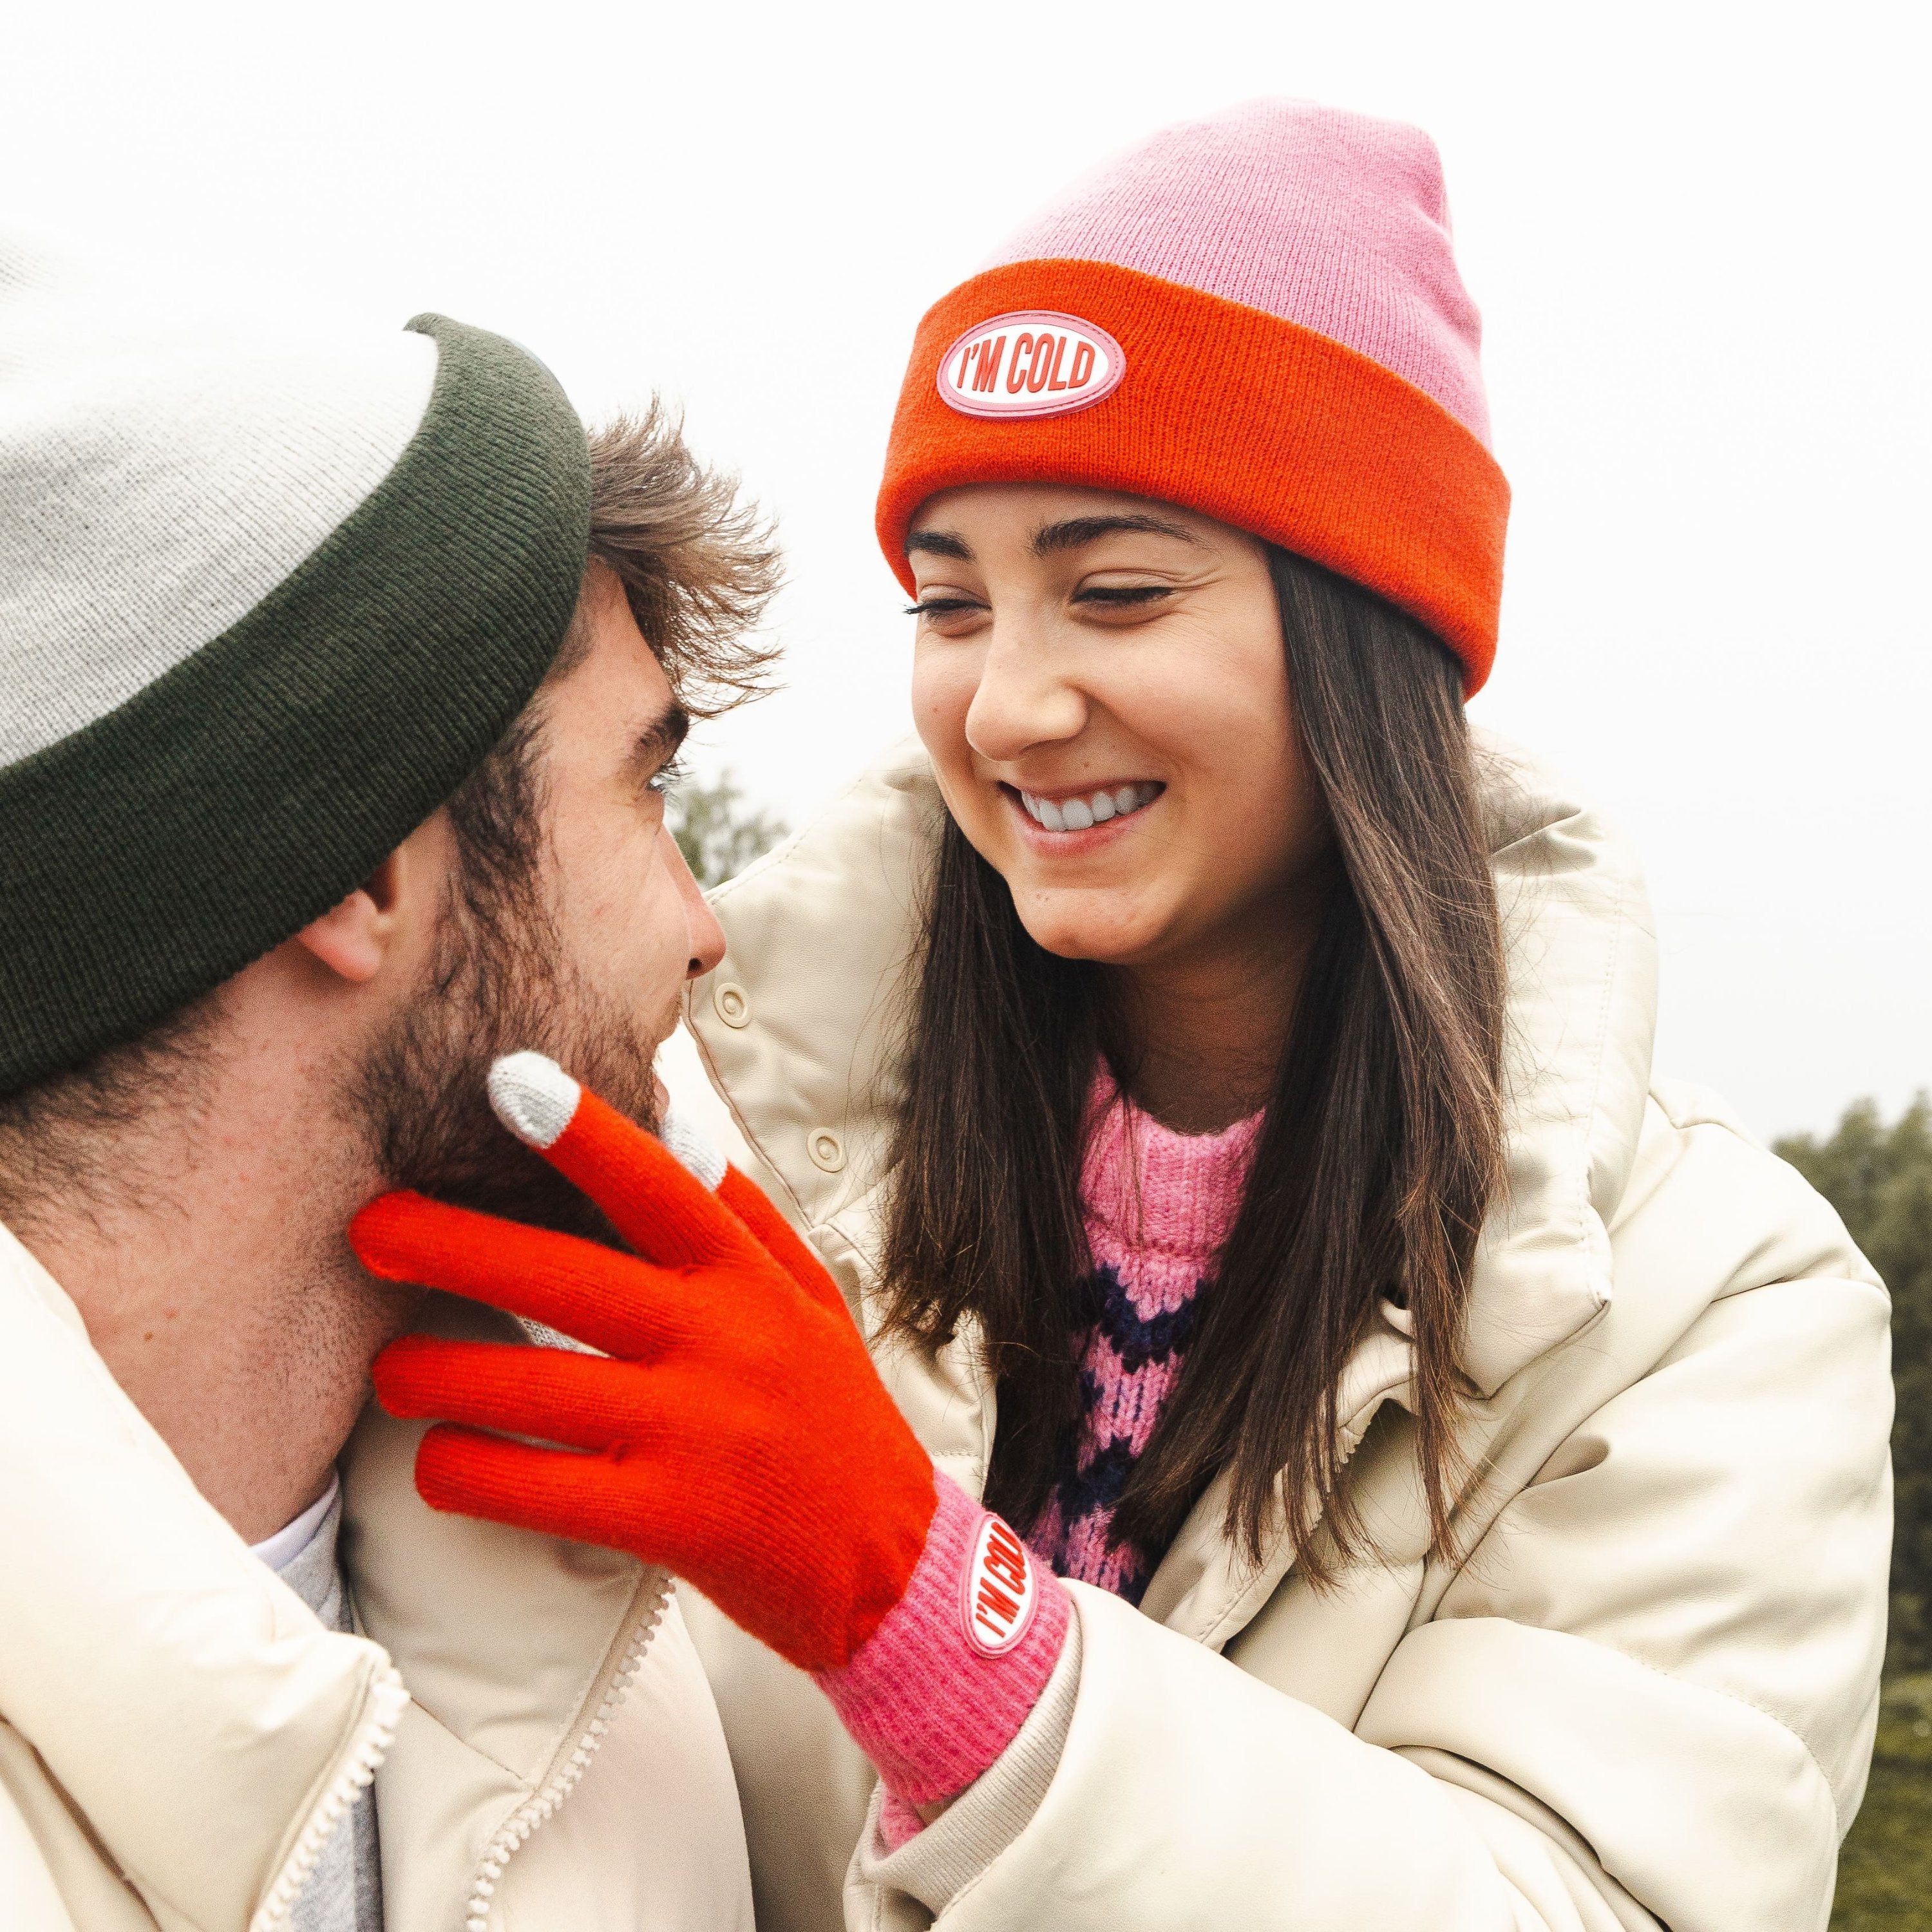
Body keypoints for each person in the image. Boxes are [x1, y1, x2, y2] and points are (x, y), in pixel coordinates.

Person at [370, 101, 1893, 1931]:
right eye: (952, 604)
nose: (1007, 706)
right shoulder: (709, 1128)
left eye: (1115, 593)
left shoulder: (1701, 1304)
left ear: (1365, 633)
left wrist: (934, 1622)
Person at [0, 238, 781, 1930]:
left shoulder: (630, 1596)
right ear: (360, 873)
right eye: (645, 791)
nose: (704, 930)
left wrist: (928, 1622)